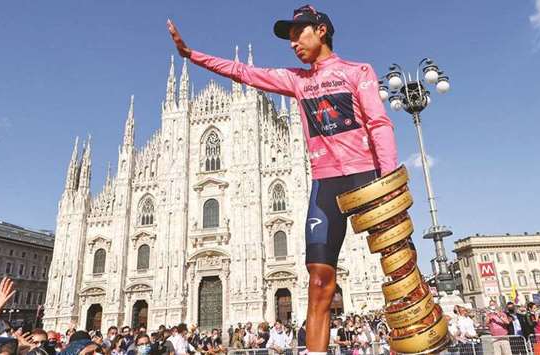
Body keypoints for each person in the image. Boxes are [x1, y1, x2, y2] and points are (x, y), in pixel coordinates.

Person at [167, 5, 398, 355]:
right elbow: (243, 72)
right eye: (289, 38)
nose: (293, 43)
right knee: (319, 279)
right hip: (325, 183)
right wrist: (191, 55)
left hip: (366, 178)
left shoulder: (358, 71)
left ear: (321, 30)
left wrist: (390, 181)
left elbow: (379, 124)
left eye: (298, 34)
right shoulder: (297, 81)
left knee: (397, 265)